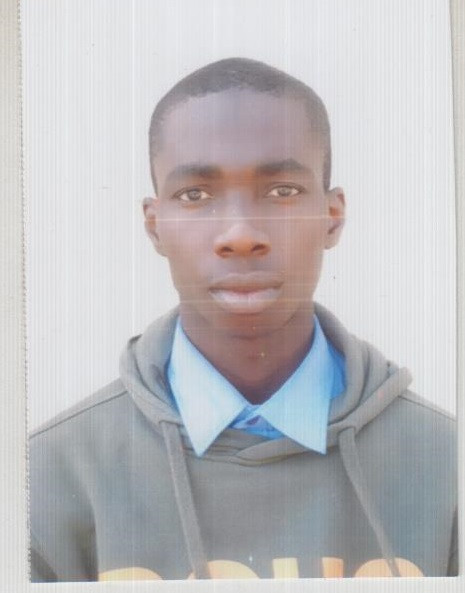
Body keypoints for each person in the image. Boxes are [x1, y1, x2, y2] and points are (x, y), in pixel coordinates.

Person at [29, 58, 457, 581]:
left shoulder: (444, 464)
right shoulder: (49, 479)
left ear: (333, 215)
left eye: (282, 191)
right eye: (195, 195)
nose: (240, 234)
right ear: (155, 225)